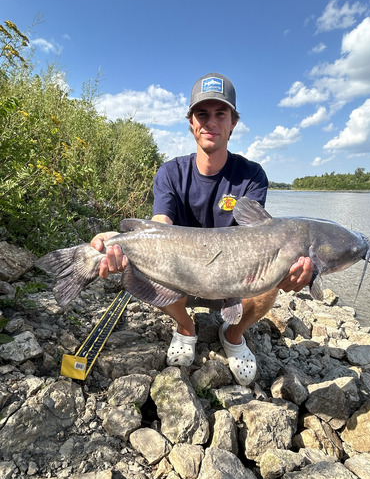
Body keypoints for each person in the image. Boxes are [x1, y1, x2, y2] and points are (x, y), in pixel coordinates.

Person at [91, 72, 313, 386]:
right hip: (181, 277)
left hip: (231, 279)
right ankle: (185, 327)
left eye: (220, 114)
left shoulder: (252, 176)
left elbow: (255, 238)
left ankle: (232, 334)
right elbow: (160, 225)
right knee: (148, 269)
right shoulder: (170, 173)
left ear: (233, 122)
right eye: (202, 114)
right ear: (191, 123)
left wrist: (291, 266)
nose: (211, 122)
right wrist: (118, 243)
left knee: (271, 277)